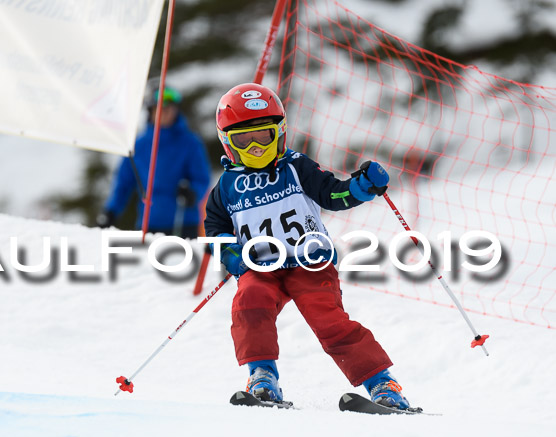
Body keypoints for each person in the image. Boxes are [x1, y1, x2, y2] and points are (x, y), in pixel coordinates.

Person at [204, 83, 412, 409]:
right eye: (245, 140)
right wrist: (232, 257)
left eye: (264, 136)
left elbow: (333, 194)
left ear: (281, 133)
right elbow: (214, 230)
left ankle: (384, 386)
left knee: (328, 320)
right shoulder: (227, 187)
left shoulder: (296, 167)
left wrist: (362, 187)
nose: (256, 148)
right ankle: (262, 377)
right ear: (228, 142)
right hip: (261, 267)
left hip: (309, 262)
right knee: (249, 301)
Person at [97, 86, 211, 238]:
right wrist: (111, 211)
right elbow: (123, 183)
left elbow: (202, 178)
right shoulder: (139, 145)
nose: (165, 113)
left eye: (170, 109)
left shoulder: (190, 142)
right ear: (151, 112)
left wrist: (193, 192)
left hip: (184, 221)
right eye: (160, 109)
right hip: (149, 222)